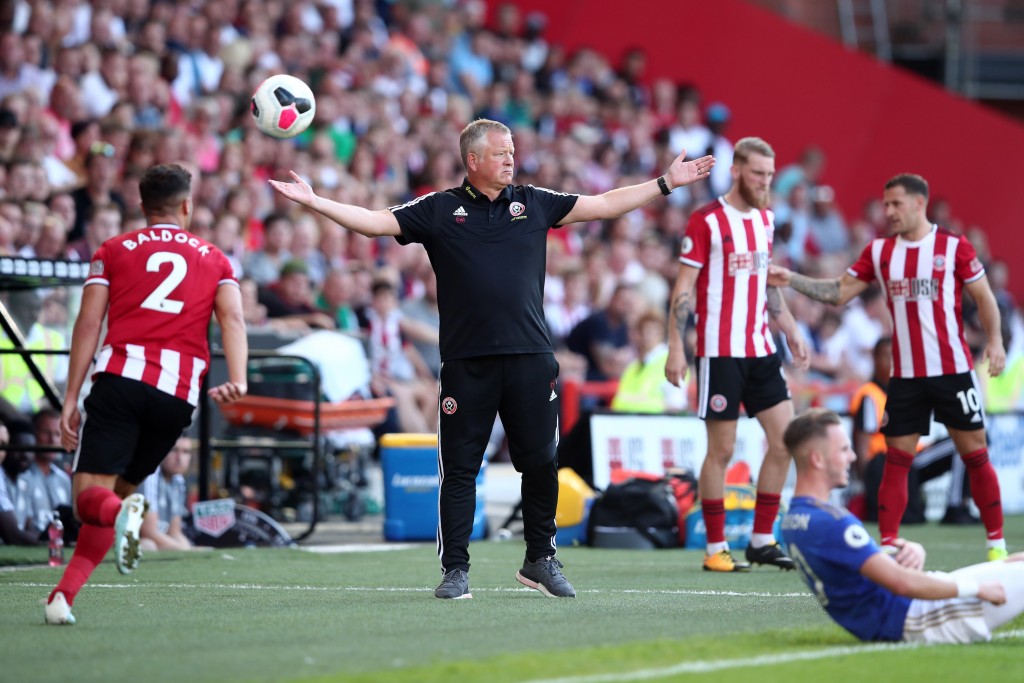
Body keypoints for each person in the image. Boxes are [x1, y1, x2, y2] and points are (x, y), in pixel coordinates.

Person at [270, 118, 715, 599]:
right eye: (501, 152)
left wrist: (666, 183)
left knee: (542, 463)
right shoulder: (439, 209)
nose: (510, 158)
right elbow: (377, 222)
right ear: (473, 160)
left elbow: (605, 205)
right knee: (460, 468)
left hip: (531, 357)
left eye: (512, 150)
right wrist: (316, 203)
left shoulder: (535, 201)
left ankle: (540, 560)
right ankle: (455, 570)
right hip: (467, 362)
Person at [44, 163, 248, 626]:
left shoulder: (112, 249)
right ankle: (63, 597)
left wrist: (71, 396)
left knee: (89, 501)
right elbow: (233, 321)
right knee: (111, 499)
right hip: (176, 397)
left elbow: (89, 323)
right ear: (187, 205)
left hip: (121, 381)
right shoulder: (215, 257)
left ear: (141, 206)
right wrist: (239, 377)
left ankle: (122, 514)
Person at [768, 173, 1007, 560]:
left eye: (896, 204)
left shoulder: (953, 246)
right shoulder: (880, 252)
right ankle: (890, 546)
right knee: (897, 461)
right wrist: (793, 279)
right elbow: (839, 293)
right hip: (906, 377)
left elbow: (984, 297)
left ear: (919, 204)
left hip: (952, 371)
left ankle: (996, 544)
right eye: (886, 205)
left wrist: (995, 341)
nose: (889, 211)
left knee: (975, 456)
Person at [664, 136, 810, 572]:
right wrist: (676, 347)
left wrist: (790, 329)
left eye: (769, 174)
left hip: (762, 349)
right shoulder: (706, 221)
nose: (765, 181)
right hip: (719, 352)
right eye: (758, 173)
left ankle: (763, 539)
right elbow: (683, 289)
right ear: (737, 172)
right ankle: (715, 548)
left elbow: (766, 284)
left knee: (786, 441)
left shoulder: (766, 219)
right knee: (721, 450)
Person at [781, 408, 1024, 644]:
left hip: (906, 610)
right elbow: (901, 582)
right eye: (844, 449)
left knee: (1014, 562)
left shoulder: (796, 517)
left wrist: (904, 554)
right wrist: (976, 589)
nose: (853, 457)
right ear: (817, 459)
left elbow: (854, 567)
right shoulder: (829, 521)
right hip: (918, 617)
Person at [850, 337, 976, 526]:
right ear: (875, 359)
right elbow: (862, 441)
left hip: (912, 458)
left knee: (969, 440)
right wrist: (868, 484)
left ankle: (961, 504)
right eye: (887, 357)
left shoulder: (902, 390)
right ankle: (955, 507)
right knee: (961, 444)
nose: (892, 362)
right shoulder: (870, 394)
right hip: (888, 463)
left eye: (896, 357)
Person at [139, 437, 195, 552]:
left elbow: (174, 532)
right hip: (132, 539)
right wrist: (186, 552)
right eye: (174, 450)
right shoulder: (150, 475)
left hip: (158, 540)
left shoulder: (178, 480)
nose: (179, 458)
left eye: (186, 452)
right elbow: (149, 532)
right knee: (148, 545)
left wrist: (188, 549)